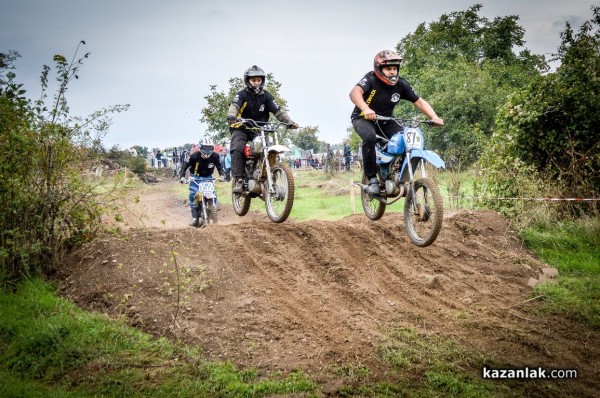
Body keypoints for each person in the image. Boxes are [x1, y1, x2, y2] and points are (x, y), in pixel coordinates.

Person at [350, 50, 444, 196]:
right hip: (363, 117)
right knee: (369, 137)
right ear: (379, 69)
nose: (392, 72)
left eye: (395, 69)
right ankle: (372, 178)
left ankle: (395, 171)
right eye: (388, 69)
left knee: (405, 138)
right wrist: (366, 108)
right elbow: (354, 93)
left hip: (386, 120)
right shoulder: (370, 79)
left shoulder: (401, 85)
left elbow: (418, 101)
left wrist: (434, 117)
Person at [226, 65, 299, 193]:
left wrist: (289, 122)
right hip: (241, 127)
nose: (256, 82)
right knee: (237, 148)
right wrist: (232, 116)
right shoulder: (242, 95)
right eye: (254, 80)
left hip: (259, 129)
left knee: (267, 147)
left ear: (262, 81)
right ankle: (239, 180)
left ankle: (269, 175)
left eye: (259, 80)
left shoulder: (267, 96)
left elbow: (278, 111)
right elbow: (234, 106)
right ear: (248, 81)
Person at [180, 137, 225, 227]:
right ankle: (194, 218)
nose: (207, 150)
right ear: (201, 148)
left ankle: (213, 208)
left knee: (213, 194)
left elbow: (220, 167)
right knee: (193, 194)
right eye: (205, 148)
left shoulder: (215, 156)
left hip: (208, 178)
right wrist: (182, 177)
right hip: (195, 178)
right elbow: (184, 167)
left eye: (209, 148)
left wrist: (222, 175)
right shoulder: (194, 156)